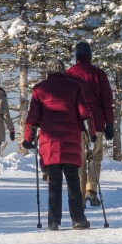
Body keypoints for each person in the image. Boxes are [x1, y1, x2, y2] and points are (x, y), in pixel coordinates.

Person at [24, 63, 93, 229]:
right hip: (71, 140)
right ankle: (78, 219)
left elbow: (33, 118)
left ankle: (53, 221)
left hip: (50, 142)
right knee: (73, 181)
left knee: (54, 182)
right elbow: (85, 113)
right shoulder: (74, 87)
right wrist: (92, 135)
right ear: (63, 71)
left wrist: (28, 139)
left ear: (49, 71)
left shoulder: (39, 89)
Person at [67, 41, 116, 203]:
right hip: (98, 122)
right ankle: (91, 189)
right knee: (95, 158)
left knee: (79, 158)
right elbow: (107, 101)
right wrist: (110, 124)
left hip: (76, 124)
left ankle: (80, 194)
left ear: (76, 56)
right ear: (90, 55)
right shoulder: (99, 74)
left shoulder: (69, 74)